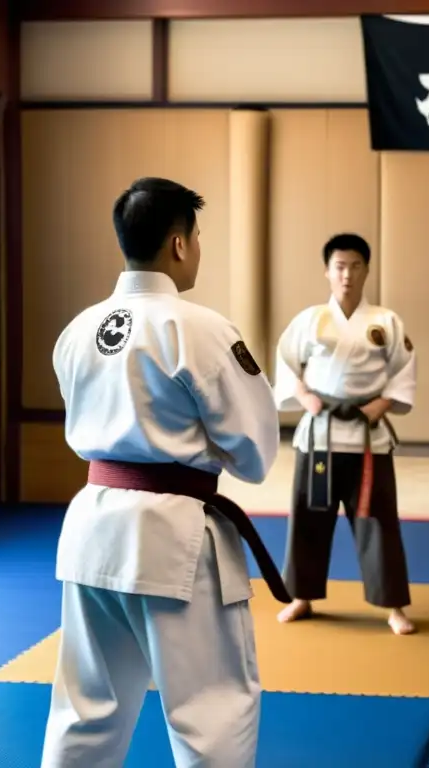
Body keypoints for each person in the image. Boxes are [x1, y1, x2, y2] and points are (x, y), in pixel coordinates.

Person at [40, 177, 285, 768]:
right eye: (197, 236)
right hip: (173, 537)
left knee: (86, 708)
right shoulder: (200, 328)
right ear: (179, 244)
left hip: (93, 528)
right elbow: (254, 450)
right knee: (212, 708)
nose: (198, 248)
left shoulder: (77, 331)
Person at [273, 233, 417, 636]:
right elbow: (286, 362)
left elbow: (404, 369)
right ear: (327, 271)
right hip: (320, 435)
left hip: (369, 438)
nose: (347, 274)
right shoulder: (311, 319)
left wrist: (383, 404)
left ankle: (393, 605)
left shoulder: (386, 321)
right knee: (308, 519)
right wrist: (302, 394)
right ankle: (301, 596)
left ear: (367, 269)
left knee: (379, 521)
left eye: (355, 266)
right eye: (339, 266)